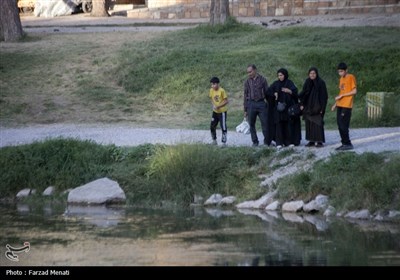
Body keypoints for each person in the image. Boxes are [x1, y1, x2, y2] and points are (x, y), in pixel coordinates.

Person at [268, 68, 300, 149]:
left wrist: (289, 91)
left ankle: (289, 142)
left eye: (281, 75)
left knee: (288, 125)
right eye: (278, 75)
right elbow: (268, 91)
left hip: (288, 108)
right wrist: (274, 93)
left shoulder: (290, 83)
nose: (280, 77)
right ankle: (279, 142)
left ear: (285, 75)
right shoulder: (276, 84)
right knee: (279, 125)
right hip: (278, 109)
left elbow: (295, 92)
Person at [243, 64, 272, 147]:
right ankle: (255, 142)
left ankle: (267, 142)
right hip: (251, 104)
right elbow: (245, 96)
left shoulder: (263, 80)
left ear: (255, 70)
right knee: (251, 124)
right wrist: (245, 109)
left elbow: (267, 92)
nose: (249, 74)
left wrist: (269, 105)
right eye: (248, 72)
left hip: (261, 103)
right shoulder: (247, 82)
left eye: (250, 71)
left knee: (265, 123)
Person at [299, 67, 328, 148]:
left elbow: (324, 96)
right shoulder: (307, 82)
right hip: (308, 106)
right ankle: (311, 140)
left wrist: (322, 108)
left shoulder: (321, 83)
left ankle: (319, 141)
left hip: (317, 106)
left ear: (316, 74)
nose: (312, 75)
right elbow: (303, 93)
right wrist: (301, 104)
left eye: (314, 73)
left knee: (318, 123)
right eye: (311, 73)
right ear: (308, 74)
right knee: (309, 123)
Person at [331, 62, 357, 151]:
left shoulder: (351, 77)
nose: (340, 73)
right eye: (339, 71)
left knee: (343, 125)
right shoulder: (341, 79)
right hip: (340, 105)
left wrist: (342, 96)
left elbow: (354, 91)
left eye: (342, 71)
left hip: (347, 105)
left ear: (346, 70)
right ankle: (344, 143)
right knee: (339, 124)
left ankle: (348, 143)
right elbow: (341, 93)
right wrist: (335, 104)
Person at [209, 76, 229, 146]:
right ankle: (214, 141)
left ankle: (224, 143)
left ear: (217, 84)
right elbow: (211, 98)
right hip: (215, 112)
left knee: (223, 126)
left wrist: (218, 106)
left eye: (214, 84)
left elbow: (226, 101)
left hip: (222, 112)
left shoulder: (222, 91)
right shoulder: (211, 90)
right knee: (212, 126)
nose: (212, 86)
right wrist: (213, 105)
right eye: (212, 84)